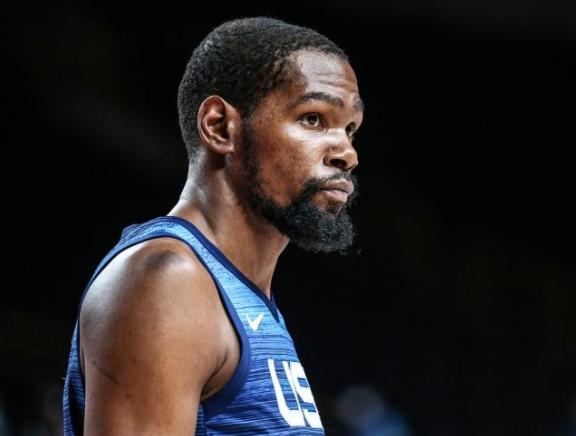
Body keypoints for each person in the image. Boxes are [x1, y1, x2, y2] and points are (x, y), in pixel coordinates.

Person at [63, 16, 364, 435]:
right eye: (313, 118)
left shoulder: (240, 295)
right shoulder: (169, 282)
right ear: (220, 126)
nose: (346, 153)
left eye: (349, 129)